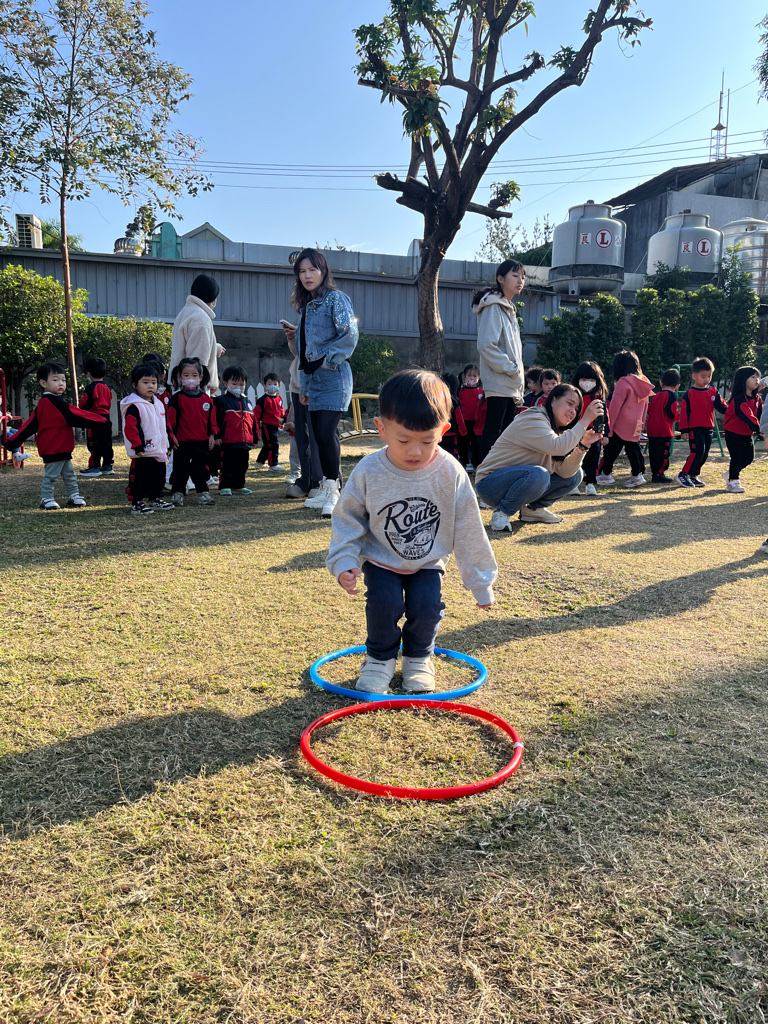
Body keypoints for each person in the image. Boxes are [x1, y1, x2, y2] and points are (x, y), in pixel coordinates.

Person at [327, 369, 496, 695]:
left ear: (443, 431)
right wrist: (344, 559)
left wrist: (481, 582)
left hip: (428, 562)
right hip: (380, 558)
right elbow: (348, 517)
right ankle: (379, 659)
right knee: (384, 603)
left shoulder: (451, 472)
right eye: (403, 440)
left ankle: (419, 659)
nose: (415, 451)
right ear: (381, 428)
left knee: (427, 606)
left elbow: (468, 527)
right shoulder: (369, 470)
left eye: (427, 441)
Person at [282, 248, 358, 517]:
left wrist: (329, 360)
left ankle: (335, 491)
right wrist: (304, 386)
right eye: (302, 271)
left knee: (326, 434)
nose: (307, 276)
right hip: (312, 381)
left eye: (312, 270)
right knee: (318, 436)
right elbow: (303, 352)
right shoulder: (307, 307)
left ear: (323, 271)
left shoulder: (335, 299)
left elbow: (350, 334)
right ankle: (327, 487)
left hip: (334, 377)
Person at [475, 383, 604, 532]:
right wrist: (585, 420)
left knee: (575, 474)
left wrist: (583, 446)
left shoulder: (557, 431)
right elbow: (558, 447)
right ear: (553, 400)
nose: (572, 411)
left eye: (576, 409)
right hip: (490, 485)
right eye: (570, 404)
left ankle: (533, 510)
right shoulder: (533, 418)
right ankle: (502, 513)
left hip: (519, 480)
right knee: (539, 474)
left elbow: (565, 472)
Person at [1, 362, 106, 510]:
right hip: (53, 446)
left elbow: (28, 426)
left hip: (62, 446)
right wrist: (102, 421)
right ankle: (47, 498)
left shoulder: (54, 402)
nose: (61, 383)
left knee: (69, 474)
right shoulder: (52, 403)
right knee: (51, 475)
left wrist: (11, 441)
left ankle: (73, 495)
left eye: (63, 380)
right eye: (55, 380)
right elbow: (76, 415)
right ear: (43, 383)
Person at [473, 259, 525, 463]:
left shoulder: (508, 308)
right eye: (515, 275)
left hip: (509, 383)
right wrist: (511, 369)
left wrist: (516, 375)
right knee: (494, 432)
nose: (520, 280)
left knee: (505, 434)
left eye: (523, 277)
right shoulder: (493, 305)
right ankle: (485, 473)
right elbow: (486, 345)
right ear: (500, 279)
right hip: (499, 381)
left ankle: (497, 472)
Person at [120, 363, 174, 516]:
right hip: (143, 452)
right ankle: (137, 502)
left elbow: (165, 425)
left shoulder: (158, 404)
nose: (150, 386)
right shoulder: (134, 406)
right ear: (134, 384)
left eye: (154, 382)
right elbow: (132, 428)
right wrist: (138, 446)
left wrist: (168, 443)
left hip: (159, 449)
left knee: (158, 476)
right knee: (140, 478)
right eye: (145, 382)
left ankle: (154, 498)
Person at [596, 350, 654, 489]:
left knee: (611, 450)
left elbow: (615, 407)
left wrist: (609, 426)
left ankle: (606, 474)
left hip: (620, 423)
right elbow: (645, 405)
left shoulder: (623, 382)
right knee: (633, 449)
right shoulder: (643, 381)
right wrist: (641, 424)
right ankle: (637, 475)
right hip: (636, 422)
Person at [167, 358, 217, 507]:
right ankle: (178, 492)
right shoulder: (177, 399)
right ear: (179, 377)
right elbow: (171, 420)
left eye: (194, 375)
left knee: (200, 469)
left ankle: (203, 493)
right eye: (186, 375)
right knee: (180, 469)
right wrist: (172, 436)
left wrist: (212, 435)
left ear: (200, 377)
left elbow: (211, 420)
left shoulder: (206, 399)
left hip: (201, 442)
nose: (190, 379)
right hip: (182, 442)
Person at [676, 357, 728, 489]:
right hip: (694, 429)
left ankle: (694, 474)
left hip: (708, 428)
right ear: (694, 376)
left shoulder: (713, 392)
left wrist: (733, 409)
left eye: (709, 376)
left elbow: (722, 407)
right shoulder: (689, 394)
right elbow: (684, 414)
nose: (706, 379)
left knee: (705, 453)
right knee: (697, 451)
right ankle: (683, 474)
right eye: (703, 376)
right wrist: (684, 430)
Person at [170, 273, 225, 394]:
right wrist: (204, 384)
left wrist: (214, 348)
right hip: (193, 390)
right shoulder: (200, 318)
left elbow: (186, 346)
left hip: (182, 385)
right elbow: (196, 360)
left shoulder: (186, 312)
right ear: (212, 298)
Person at [284, 326, 321, 499]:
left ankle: (320, 482)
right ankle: (306, 480)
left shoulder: (324, 316)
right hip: (298, 385)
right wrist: (293, 339)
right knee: (301, 437)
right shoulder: (304, 318)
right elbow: (298, 354)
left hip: (318, 386)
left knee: (318, 437)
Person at [214, 365, 255, 495]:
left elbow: (252, 422)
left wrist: (254, 437)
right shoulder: (221, 401)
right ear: (226, 384)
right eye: (234, 384)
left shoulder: (247, 402)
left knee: (243, 465)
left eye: (241, 384)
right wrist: (217, 436)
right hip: (228, 440)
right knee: (227, 464)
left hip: (244, 440)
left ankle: (239, 485)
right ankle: (225, 485)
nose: (238, 387)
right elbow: (216, 420)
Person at [570, 361, 610, 495]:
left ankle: (590, 483)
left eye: (591, 380)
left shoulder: (599, 397)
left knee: (593, 458)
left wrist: (605, 434)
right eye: (584, 379)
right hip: (576, 431)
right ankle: (573, 484)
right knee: (575, 458)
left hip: (594, 433)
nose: (587, 383)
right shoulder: (573, 396)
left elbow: (604, 417)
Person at [722, 366, 763, 494]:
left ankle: (730, 473)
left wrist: (763, 427)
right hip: (733, 433)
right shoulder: (738, 398)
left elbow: (761, 415)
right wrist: (758, 428)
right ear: (743, 380)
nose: (757, 380)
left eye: (757, 377)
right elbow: (746, 415)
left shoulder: (757, 399)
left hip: (747, 433)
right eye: (753, 377)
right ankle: (733, 482)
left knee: (749, 458)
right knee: (737, 457)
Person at [78, 357, 114, 477]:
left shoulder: (90, 388)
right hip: (106, 418)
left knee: (94, 444)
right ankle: (107, 465)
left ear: (89, 374)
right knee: (107, 443)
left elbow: (85, 403)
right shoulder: (107, 388)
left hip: (94, 419)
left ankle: (94, 467)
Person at [646, 368, 680, 483]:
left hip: (652, 429)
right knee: (663, 453)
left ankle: (654, 472)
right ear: (677, 386)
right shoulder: (671, 396)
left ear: (661, 383)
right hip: (664, 430)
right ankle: (660, 474)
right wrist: (677, 417)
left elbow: (649, 411)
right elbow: (671, 412)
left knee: (653, 452)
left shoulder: (655, 396)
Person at [456, 364, 485, 471]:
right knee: (463, 443)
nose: (472, 378)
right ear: (465, 376)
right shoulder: (460, 391)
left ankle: (475, 463)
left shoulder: (481, 392)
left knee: (476, 444)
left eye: (474, 376)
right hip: (463, 422)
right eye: (469, 375)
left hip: (477, 422)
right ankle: (463, 463)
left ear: (479, 377)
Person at [255, 373, 285, 471]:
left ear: (279, 385)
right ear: (265, 385)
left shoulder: (279, 398)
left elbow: (280, 409)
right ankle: (273, 465)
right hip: (267, 425)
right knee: (273, 444)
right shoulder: (263, 400)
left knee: (268, 445)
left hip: (276, 425)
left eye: (275, 384)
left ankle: (260, 462)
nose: (272, 386)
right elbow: (257, 414)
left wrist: (282, 420)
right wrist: (257, 426)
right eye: (269, 384)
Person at [438, 372, 466, 459]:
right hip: (451, 434)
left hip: (438, 433)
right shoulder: (454, 402)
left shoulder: (436, 400)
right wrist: (463, 432)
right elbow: (459, 418)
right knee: (451, 456)